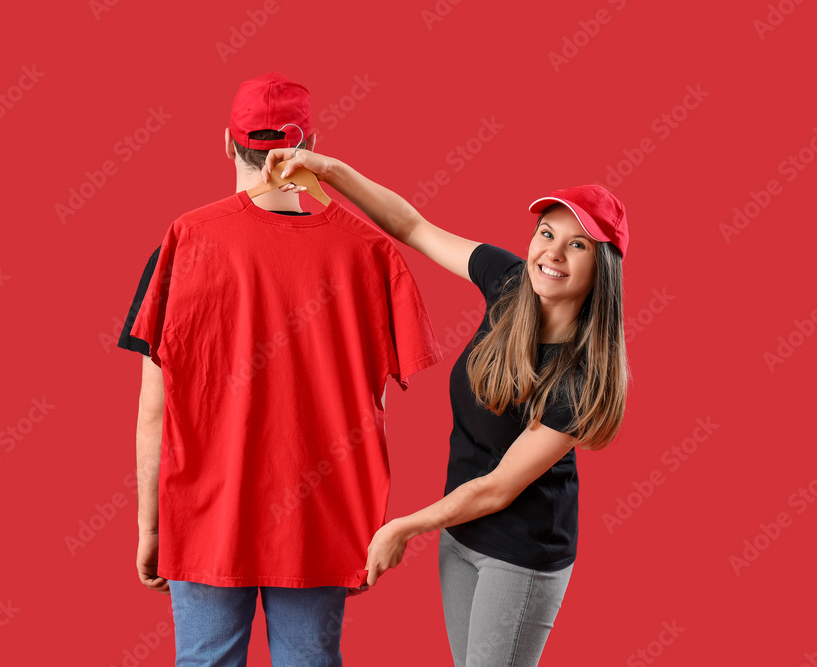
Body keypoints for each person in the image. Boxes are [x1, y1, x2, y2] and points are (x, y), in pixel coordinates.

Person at [118, 72, 443, 667]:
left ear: (226, 144)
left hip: (207, 519)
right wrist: (367, 522)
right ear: (312, 147)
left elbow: (153, 410)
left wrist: (150, 530)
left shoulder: (183, 241)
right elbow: (378, 402)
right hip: (320, 524)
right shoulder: (369, 253)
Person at [260, 148, 630, 666]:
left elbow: (498, 488)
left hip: (521, 554)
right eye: (546, 234)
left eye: (578, 246)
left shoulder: (580, 379)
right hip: (459, 532)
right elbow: (411, 226)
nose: (553, 255)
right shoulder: (508, 284)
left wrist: (402, 527)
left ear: (602, 268)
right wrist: (331, 171)